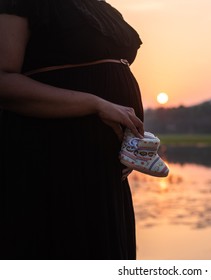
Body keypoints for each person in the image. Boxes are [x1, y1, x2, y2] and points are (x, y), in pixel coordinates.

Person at [0, 0, 144, 259]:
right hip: (53, 163)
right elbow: (3, 80)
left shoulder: (99, 6)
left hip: (104, 174)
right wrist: (95, 103)